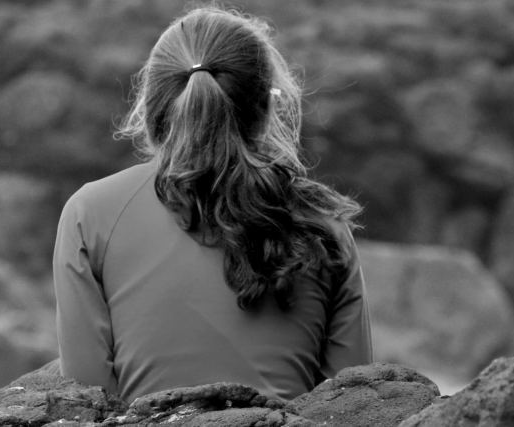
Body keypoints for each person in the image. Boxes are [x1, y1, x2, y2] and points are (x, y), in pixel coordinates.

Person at [52, 7, 370, 402]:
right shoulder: (324, 224)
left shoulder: (89, 213)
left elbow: (87, 397)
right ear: (266, 107)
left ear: (152, 106)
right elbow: (356, 401)